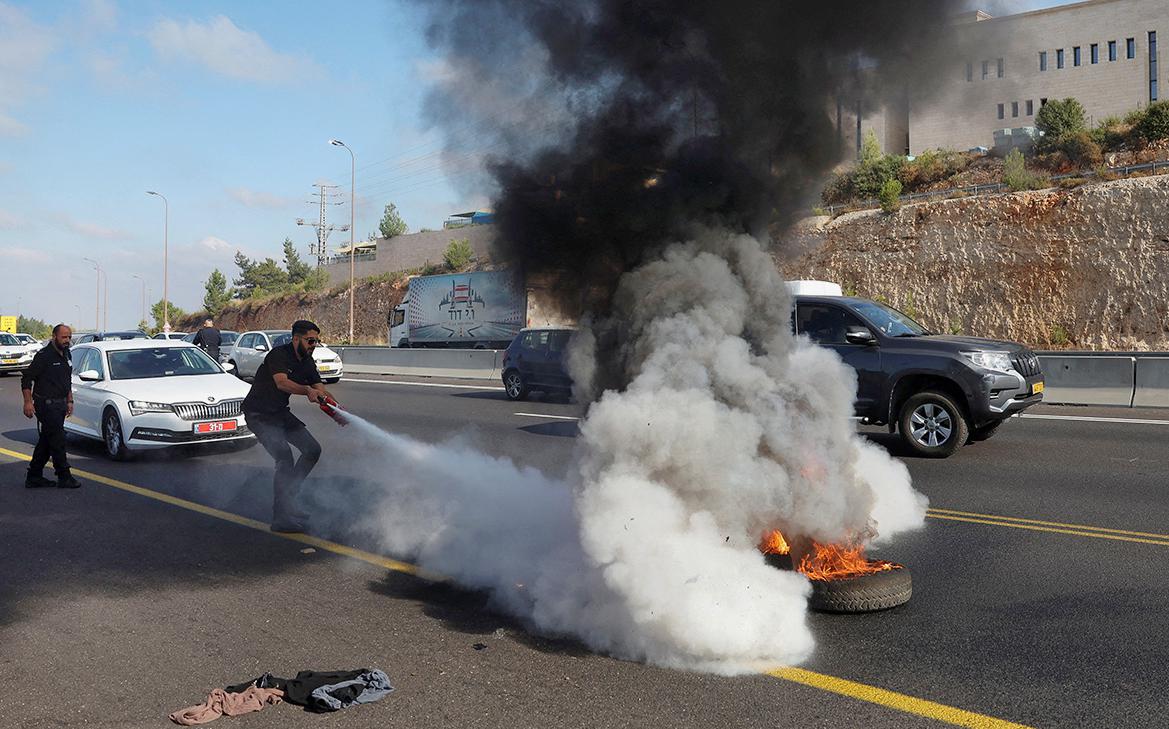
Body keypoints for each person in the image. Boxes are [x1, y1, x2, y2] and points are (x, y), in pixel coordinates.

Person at [241, 320, 334, 533]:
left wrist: (337, 409)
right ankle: (281, 517)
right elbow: (282, 382)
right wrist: (308, 391)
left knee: (312, 450)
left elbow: (321, 390)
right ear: (296, 339)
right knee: (284, 458)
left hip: (280, 413)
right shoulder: (278, 355)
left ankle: (289, 498)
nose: (314, 345)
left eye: (316, 341)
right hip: (259, 414)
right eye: (310, 340)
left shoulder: (308, 362)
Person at [21, 324, 80, 488]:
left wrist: (70, 400)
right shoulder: (44, 356)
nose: (67, 340)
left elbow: (66, 380)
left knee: (47, 440)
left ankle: (34, 476)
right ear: (54, 337)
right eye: (64, 337)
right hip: (45, 405)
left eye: (69, 337)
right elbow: (26, 379)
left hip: (60, 404)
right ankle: (64, 476)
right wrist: (27, 402)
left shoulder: (67, 353)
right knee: (58, 440)